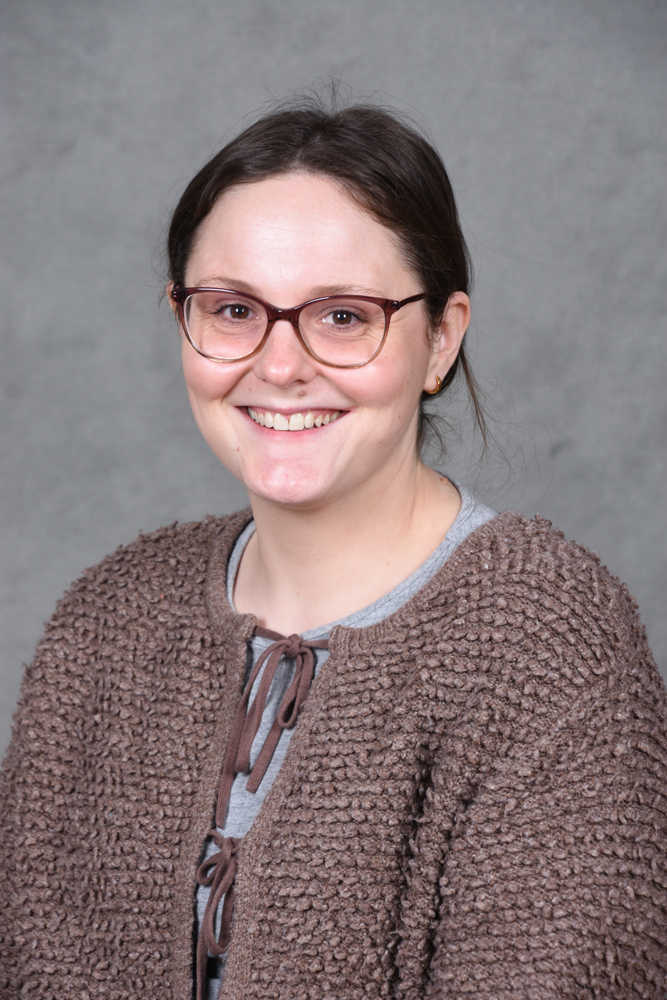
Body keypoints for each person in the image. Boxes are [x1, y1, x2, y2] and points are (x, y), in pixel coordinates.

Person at [1, 96, 666, 1000]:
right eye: (234, 308)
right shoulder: (106, 620)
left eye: (344, 316)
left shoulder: (548, 641)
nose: (279, 365)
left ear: (440, 338)